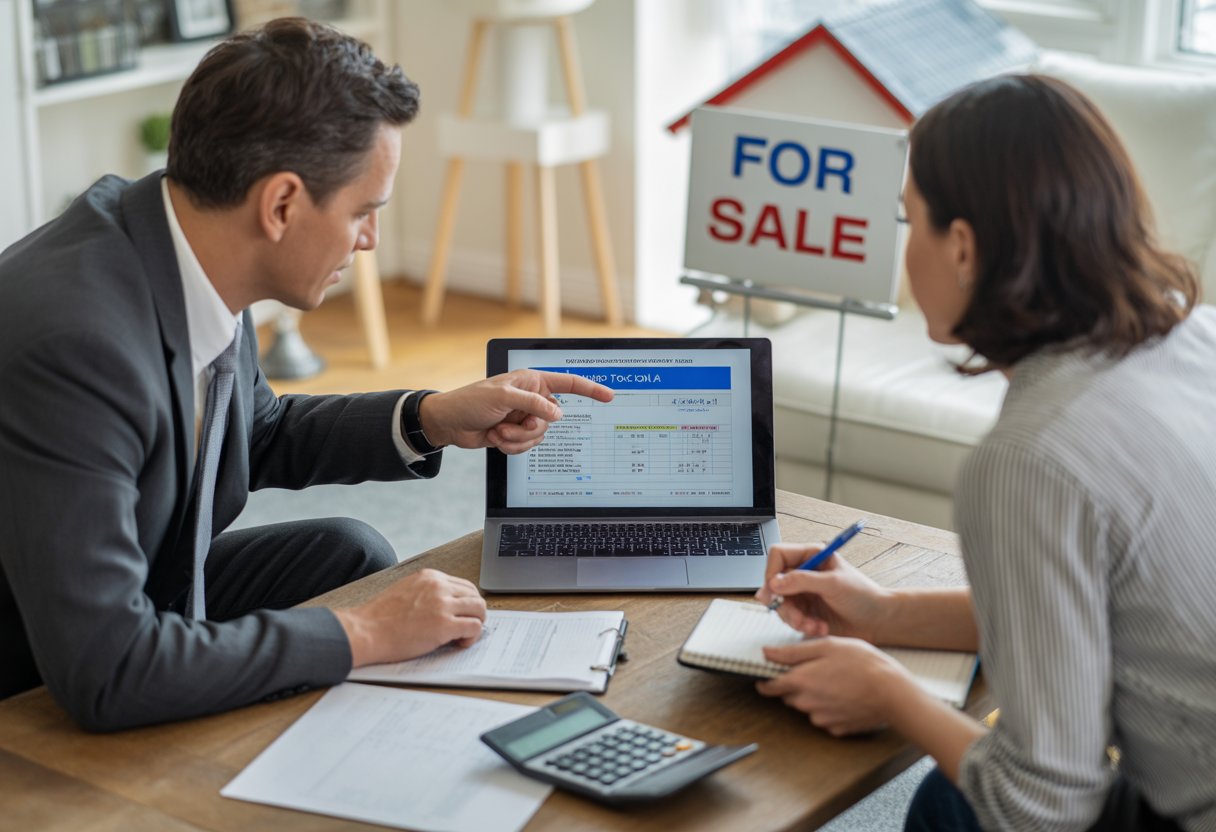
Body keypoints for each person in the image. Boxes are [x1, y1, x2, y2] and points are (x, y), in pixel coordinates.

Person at [0, 18, 612, 731]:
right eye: (364, 211)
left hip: (139, 572)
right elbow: (106, 670)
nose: (372, 239)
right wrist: (368, 633)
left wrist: (434, 415)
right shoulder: (74, 345)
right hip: (45, 645)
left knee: (349, 553)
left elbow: (253, 433)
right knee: (363, 615)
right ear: (282, 204)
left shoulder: (179, 243)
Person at [754, 74, 1216, 831]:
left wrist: (890, 694)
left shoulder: (1035, 456)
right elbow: (1113, 608)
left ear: (962, 247)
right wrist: (885, 613)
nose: (906, 250)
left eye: (910, 222)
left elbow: (1041, 808)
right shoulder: (1194, 334)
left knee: (956, 808)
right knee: (947, 792)